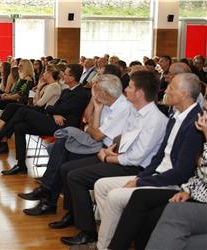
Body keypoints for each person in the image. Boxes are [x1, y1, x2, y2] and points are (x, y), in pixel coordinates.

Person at [55, 71, 168, 246]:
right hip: (118, 156)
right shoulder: (137, 112)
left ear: (139, 93)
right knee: (67, 168)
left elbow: (136, 158)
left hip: (135, 168)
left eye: (129, 86)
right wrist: (110, 150)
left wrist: (107, 157)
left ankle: (88, 231)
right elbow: (122, 138)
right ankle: (76, 216)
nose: (125, 90)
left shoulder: (154, 119)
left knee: (75, 176)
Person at [93, 73, 203, 250]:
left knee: (114, 196)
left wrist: (141, 181)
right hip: (156, 175)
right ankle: (110, 238)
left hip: (171, 183)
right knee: (101, 186)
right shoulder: (176, 116)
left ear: (184, 94)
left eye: (171, 87)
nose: (166, 90)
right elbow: (159, 156)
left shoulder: (195, 122)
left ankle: (106, 245)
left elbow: (181, 172)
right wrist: (141, 177)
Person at [19, 74, 131, 216]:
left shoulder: (122, 108)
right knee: (60, 145)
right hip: (97, 144)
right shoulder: (107, 103)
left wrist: (90, 126)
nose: (93, 94)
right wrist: (96, 109)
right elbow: (90, 124)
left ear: (105, 93)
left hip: (106, 149)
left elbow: (94, 134)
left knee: (62, 150)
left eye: (95, 91)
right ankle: (48, 198)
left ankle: (48, 196)